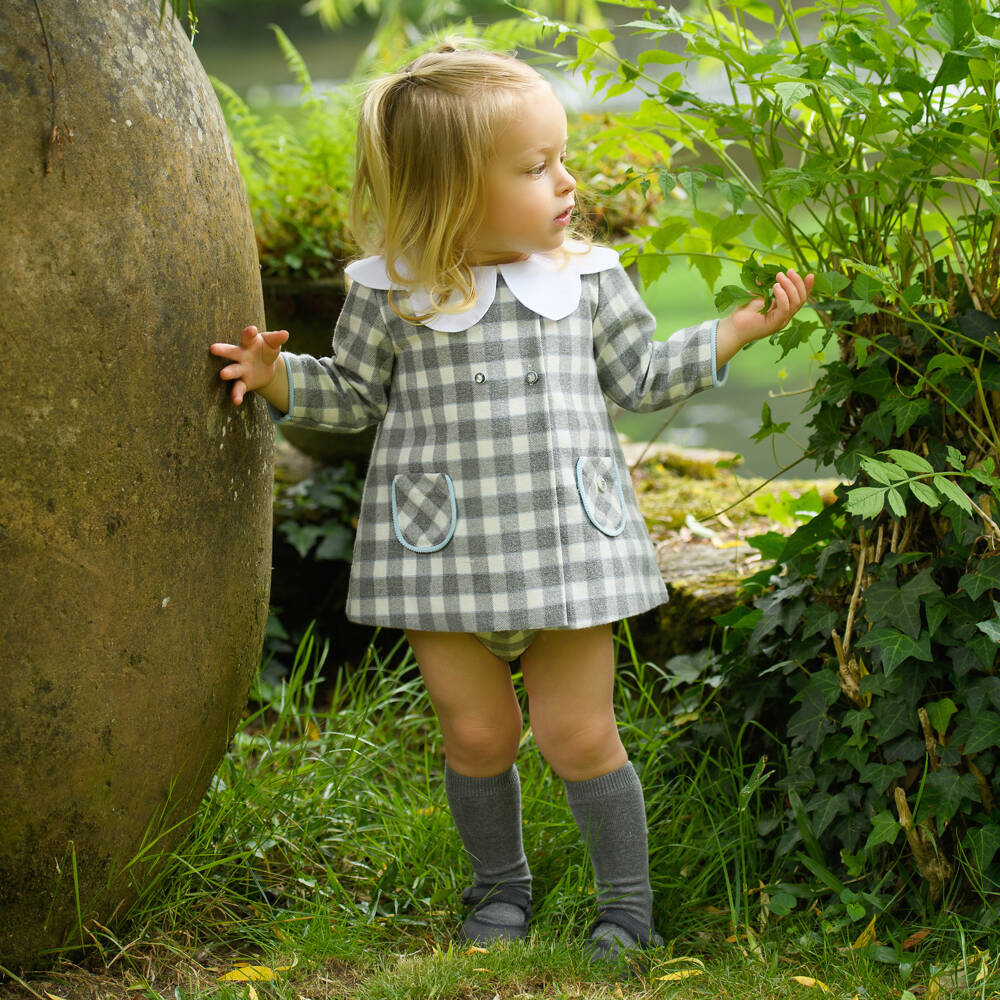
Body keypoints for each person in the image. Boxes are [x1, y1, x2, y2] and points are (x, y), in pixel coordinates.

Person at [211, 44, 813, 962]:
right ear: (452, 191)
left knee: (579, 734)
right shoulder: (392, 294)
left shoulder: (587, 280)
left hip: (567, 546)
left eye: (561, 158)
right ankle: (499, 889)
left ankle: (627, 906)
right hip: (441, 548)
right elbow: (353, 393)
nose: (567, 181)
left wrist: (732, 331)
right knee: (477, 732)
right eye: (536, 168)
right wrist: (276, 375)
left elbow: (642, 376)